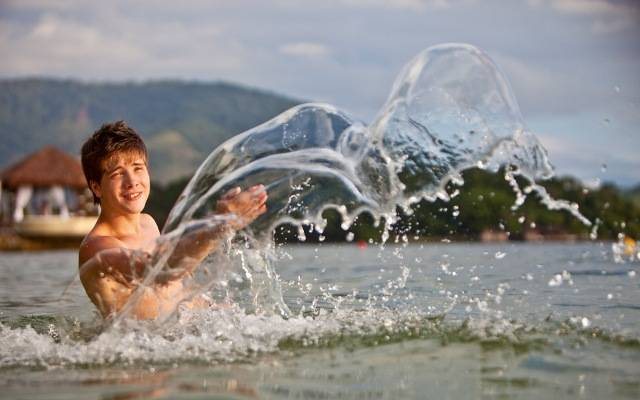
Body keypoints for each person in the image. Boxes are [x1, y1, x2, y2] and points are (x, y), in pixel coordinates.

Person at [78, 121, 267, 320]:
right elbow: (159, 271)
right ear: (96, 187)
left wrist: (214, 309)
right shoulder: (97, 248)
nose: (132, 181)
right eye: (118, 174)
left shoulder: (147, 223)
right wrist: (220, 225)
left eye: (138, 168)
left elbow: (176, 281)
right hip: (146, 346)